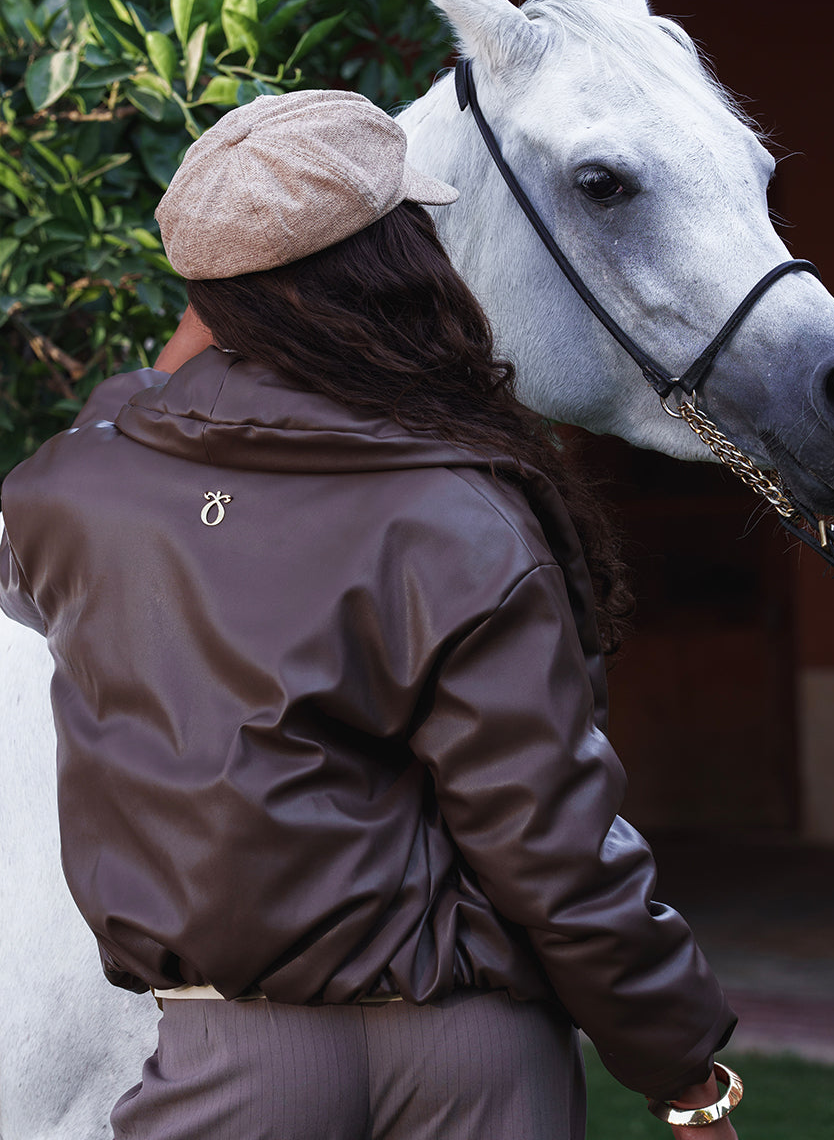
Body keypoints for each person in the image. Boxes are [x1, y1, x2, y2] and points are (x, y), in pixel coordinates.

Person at [0, 90, 741, 1139]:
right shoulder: (463, 507)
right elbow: (553, 844)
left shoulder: (70, 496)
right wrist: (682, 1070)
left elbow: (125, 458)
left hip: (231, 1060)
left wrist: (200, 334)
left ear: (204, 286)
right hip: (476, 1058)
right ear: (397, 265)